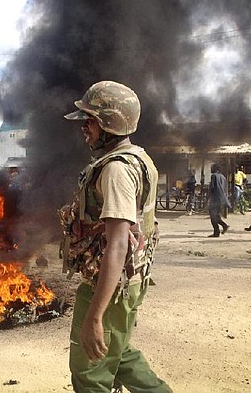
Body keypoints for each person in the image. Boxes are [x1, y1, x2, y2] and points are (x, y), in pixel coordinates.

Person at [59, 81, 172, 392]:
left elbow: (118, 244)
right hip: (128, 283)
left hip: (110, 285)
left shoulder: (116, 171)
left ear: (111, 123)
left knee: (89, 373)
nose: (84, 127)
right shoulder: (138, 157)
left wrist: (95, 316)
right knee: (117, 354)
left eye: (90, 120)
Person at [208, 164, 230, 237]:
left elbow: (212, 187)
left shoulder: (213, 176)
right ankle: (224, 226)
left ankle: (217, 231)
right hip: (222, 199)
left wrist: (208, 197)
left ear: (215, 168)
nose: (211, 169)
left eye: (212, 168)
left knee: (213, 216)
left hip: (215, 199)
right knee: (216, 215)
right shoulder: (223, 177)